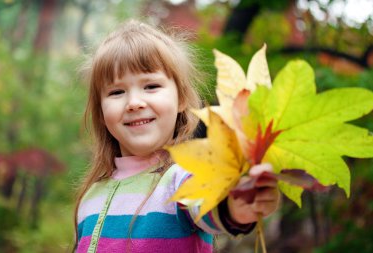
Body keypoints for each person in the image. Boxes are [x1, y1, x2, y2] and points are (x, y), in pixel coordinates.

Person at [73, 19, 280, 253]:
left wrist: (235, 207)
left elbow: (209, 206)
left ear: (181, 98)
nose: (134, 102)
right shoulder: (91, 197)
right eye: (117, 92)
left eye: (150, 86)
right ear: (100, 112)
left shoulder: (181, 180)